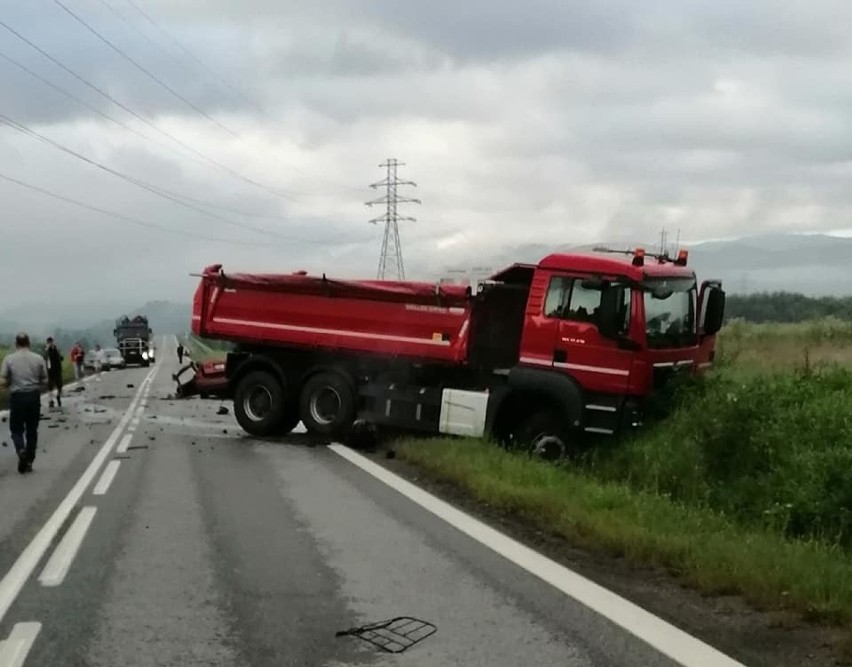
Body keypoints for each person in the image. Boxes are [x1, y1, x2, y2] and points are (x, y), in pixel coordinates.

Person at [1, 333, 48, 473]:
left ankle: (21, 450)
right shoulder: (38, 358)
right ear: (29, 343)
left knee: (16, 429)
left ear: (16, 344)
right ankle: (29, 458)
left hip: (17, 397)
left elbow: (3, 380)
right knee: (32, 430)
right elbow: (45, 380)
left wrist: (9, 383)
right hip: (33, 396)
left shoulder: (9, 359)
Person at [44, 337, 64, 408]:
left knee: (60, 385)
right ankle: (51, 400)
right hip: (50, 370)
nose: (50, 343)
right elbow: (45, 357)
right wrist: (48, 349)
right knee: (50, 386)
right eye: (49, 342)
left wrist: (60, 357)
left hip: (57, 369)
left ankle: (58, 396)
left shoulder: (56, 349)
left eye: (51, 342)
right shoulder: (46, 350)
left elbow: (60, 357)